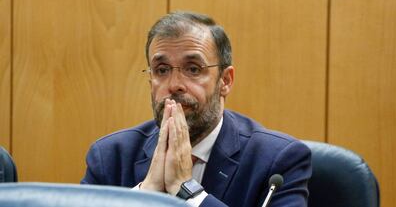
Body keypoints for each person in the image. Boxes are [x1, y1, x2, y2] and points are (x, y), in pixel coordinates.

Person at [81, 11, 312, 207]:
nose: (174, 85)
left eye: (193, 69)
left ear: (225, 80)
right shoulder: (111, 158)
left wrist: (188, 192)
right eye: (161, 70)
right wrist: (146, 194)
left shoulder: (276, 163)